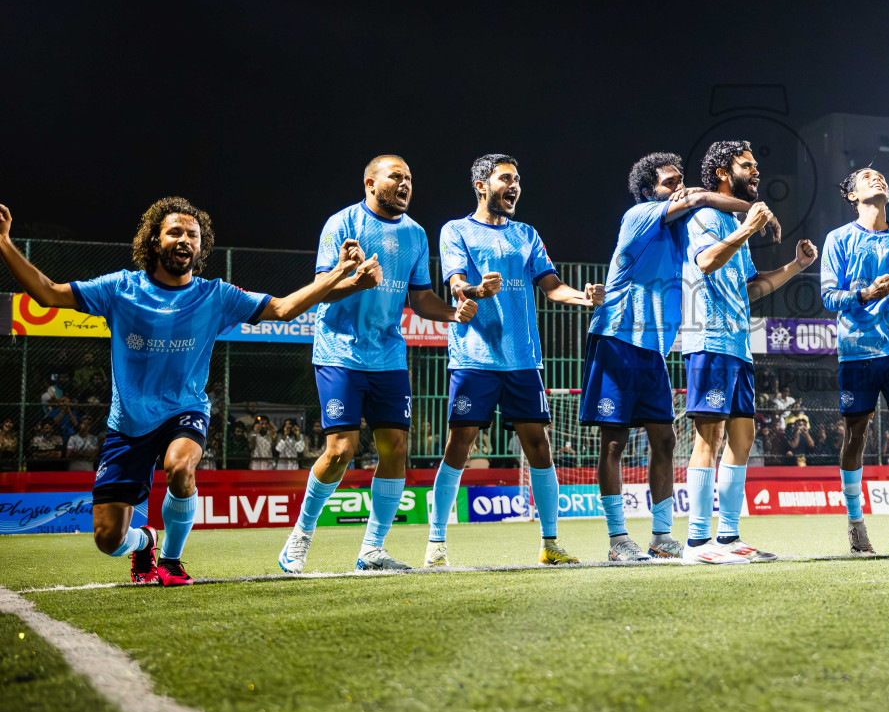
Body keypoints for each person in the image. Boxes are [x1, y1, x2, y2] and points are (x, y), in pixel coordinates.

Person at [0, 197, 367, 585]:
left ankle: (171, 561)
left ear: (201, 247)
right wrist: (5, 241)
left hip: (185, 410)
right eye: (174, 232)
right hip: (128, 423)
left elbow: (282, 309)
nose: (185, 239)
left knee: (181, 467)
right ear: (154, 242)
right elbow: (50, 294)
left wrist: (338, 272)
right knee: (108, 539)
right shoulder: (120, 289)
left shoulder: (216, 295)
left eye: (193, 234)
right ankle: (145, 542)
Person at [280, 156, 471, 574]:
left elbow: (420, 298)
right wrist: (354, 280)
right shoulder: (341, 224)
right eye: (396, 176)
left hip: (388, 355)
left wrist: (454, 313)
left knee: (395, 450)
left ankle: (372, 550)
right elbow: (320, 290)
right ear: (370, 182)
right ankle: (299, 538)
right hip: (339, 352)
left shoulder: (417, 234)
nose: (405, 184)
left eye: (409, 178)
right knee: (341, 451)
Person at [425, 154, 605, 568]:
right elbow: (455, 284)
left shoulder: (527, 233)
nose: (515, 185)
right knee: (459, 445)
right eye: (506, 178)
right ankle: (436, 542)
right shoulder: (456, 230)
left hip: (523, 359)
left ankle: (550, 543)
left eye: (518, 179)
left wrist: (584, 297)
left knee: (540, 447)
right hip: (475, 357)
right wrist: (475, 290)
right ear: (481, 185)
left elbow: (552, 285)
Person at [580, 153, 750, 561]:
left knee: (666, 438)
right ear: (648, 193)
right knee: (614, 441)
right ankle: (618, 539)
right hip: (617, 336)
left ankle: (661, 536)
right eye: (668, 182)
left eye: (680, 180)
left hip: (653, 348)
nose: (679, 186)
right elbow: (697, 201)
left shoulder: (681, 233)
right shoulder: (639, 215)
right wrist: (752, 210)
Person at [679, 140, 817, 564]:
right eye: (747, 165)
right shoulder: (705, 216)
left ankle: (728, 538)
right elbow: (704, 263)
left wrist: (795, 267)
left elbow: (749, 288)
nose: (756, 172)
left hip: (737, 346)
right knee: (710, 436)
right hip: (708, 341)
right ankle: (698, 543)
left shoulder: (732, 219)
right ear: (724, 172)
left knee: (743, 436)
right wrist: (746, 229)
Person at [821, 165, 889, 555]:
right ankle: (855, 523)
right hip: (857, 352)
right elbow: (829, 297)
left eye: (881, 176)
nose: (878, 179)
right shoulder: (838, 240)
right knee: (856, 437)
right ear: (852, 195)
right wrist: (865, 294)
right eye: (867, 177)